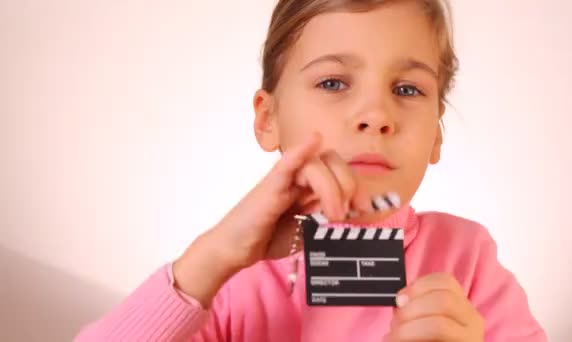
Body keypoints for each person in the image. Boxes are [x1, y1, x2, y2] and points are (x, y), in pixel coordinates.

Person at [75, 0, 547, 341]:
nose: (376, 114)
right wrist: (210, 259)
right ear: (268, 120)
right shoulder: (230, 281)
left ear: (437, 135)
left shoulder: (466, 263)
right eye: (333, 82)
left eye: (407, 89)